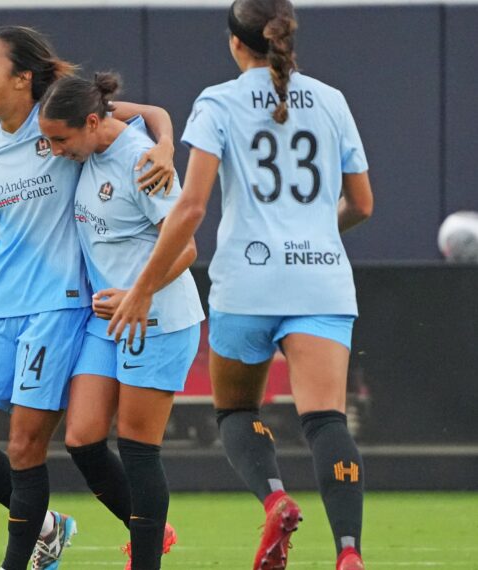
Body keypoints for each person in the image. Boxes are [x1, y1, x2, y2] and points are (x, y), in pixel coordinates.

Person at [0, 26, 175, 570]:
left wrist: (163, 145)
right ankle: (50, 527)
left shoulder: (61, 115)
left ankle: (19, 561)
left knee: (25, 447)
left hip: (56, 306)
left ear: (23, 76)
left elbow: (151, 114)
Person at [107, 1, 373, 568]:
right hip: (322, 280)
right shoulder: (332, 100)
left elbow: (191, 207)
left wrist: (143, 288)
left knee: (234, 411)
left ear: (235, 43)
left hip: (248, 281)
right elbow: (364, 204)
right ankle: (348, 552)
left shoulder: (219, 102)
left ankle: (276, 497)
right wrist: (314, 236)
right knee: (325, 419)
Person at [39, 73, 201, 569]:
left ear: (90, 123)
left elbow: (188, 247)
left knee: (137, 449)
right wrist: (169, 135)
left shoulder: (141, 163)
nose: (53, 150)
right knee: (82, 438)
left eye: (60, 140)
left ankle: (145, 555)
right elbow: (150, 109)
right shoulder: (98, 130)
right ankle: (149, 523)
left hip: (157, 320)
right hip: (108, 320)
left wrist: (137, 294)